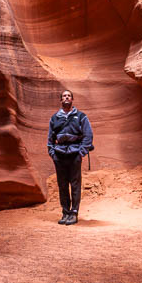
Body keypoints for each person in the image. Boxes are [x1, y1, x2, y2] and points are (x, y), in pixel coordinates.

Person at [47, 90, 93, 225]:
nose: (66, 97)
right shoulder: (55, 118)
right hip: (59, 155)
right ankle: (65, 212)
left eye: (68, 96)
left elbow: (88, 135)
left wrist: (81, 152)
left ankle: (74, 213)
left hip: (74, 154)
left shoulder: (80, 116)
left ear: (72, 99)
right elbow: (50, 138)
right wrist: (52, 153)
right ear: (61, 100)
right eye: (64, 96)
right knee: (62, 185)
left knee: (75, 185)